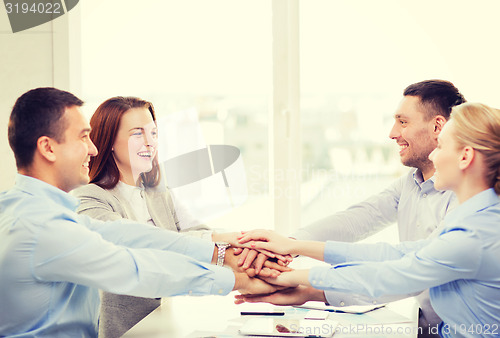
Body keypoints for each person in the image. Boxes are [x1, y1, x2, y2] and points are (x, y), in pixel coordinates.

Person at [0, 87, 276, 337]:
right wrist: (239, 280)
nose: (93, 148)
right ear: (48, 148)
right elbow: (135, 268)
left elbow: (125, 234)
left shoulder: (31, 208)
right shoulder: (42, 226)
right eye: (84, 137)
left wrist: (222, 251)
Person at [237, 102, 500, 338]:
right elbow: (393, 250)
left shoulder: (473, 235)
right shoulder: (475, 219)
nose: (433, 155)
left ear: (465, 156)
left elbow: (393, 275)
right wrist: (293, 246)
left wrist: (291, 278)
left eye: (441, 146)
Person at [72, 96, 290, 337]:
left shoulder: (157, 193)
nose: (149, 143)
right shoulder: (88, 198)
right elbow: (146, 246)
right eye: (137, 134)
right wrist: (226, 254)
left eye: (153, 133)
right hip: (124, 330)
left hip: (165, 322)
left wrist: (245, 245)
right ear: (110, 140)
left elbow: (193, 233)